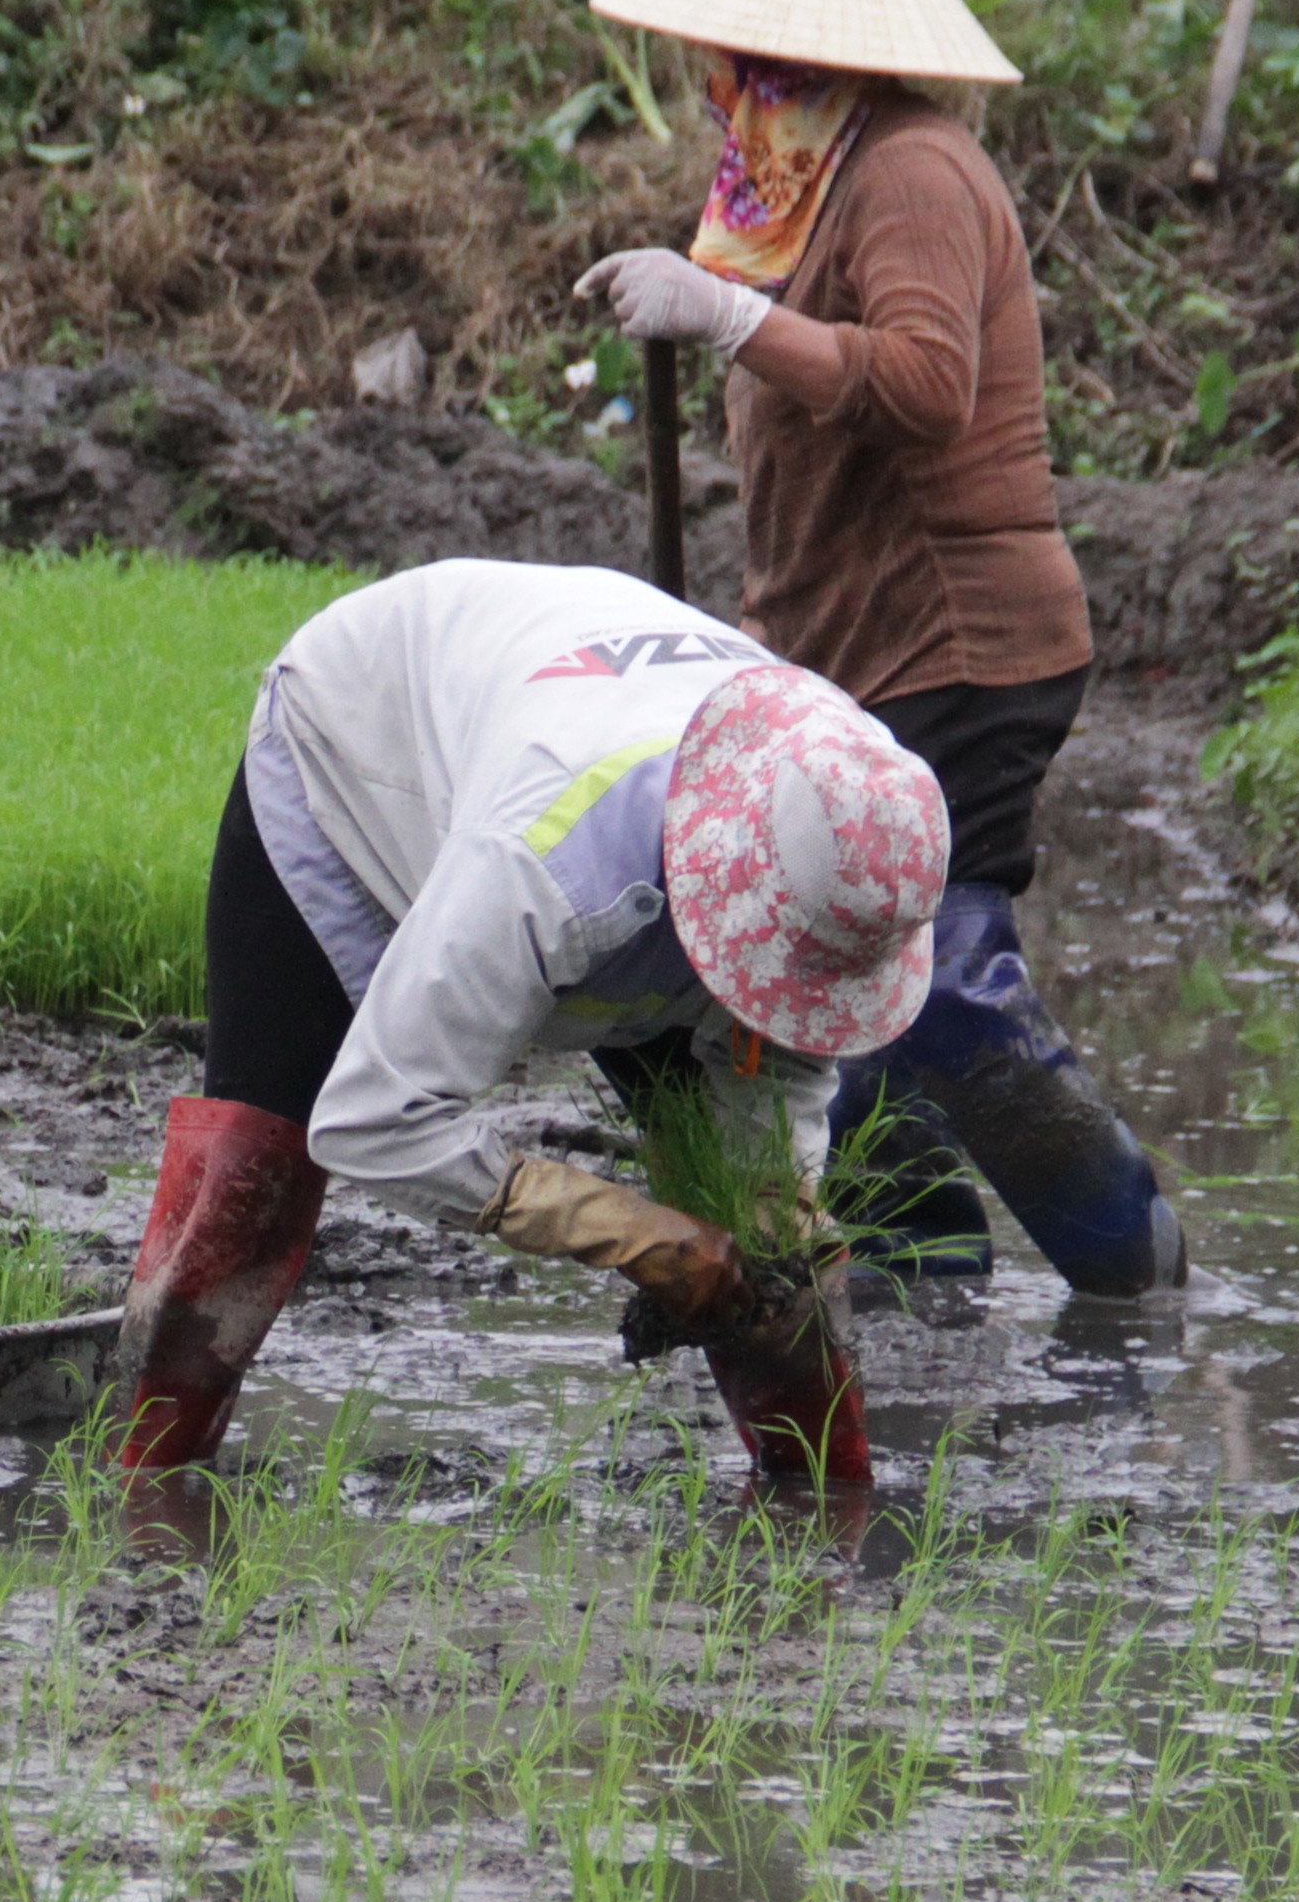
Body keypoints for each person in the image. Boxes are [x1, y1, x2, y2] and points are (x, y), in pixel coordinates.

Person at [573, 0, 1190, 1304]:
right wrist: (758, 628)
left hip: (966, 645)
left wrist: (726, 315)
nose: (714, 81)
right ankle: (921, 1278)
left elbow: (920, 385)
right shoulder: (793, 192)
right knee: (855, 989)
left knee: (939, 977)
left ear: (790, 53)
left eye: (729, 58)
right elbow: (805, 467)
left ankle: (1133, 1260)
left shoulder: (910, 170)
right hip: (854, 645)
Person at [112, 559, 950, 1494]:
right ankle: (141, 1480)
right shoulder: (544, 867)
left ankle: (818, 1505)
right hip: (361, 752)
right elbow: (371, 1122)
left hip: (572, 722)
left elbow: (783, 1073)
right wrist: (626, 1229)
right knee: (257, 1168)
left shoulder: (859, 810)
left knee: (773, 1261)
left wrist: (771, 1209)